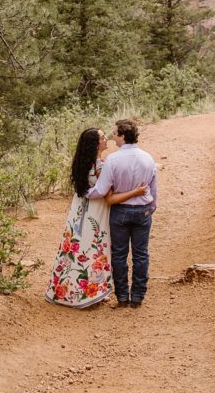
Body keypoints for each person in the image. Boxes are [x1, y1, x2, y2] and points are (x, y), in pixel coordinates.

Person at [45, 128, 147, 308]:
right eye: (102, 137)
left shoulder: (83, 163)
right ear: (95, 143)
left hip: (79, 211)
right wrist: (135, 191)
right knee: (93, 248)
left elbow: (85, 190)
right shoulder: (100, 165)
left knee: (75, 247)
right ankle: (88, 292)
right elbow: (105, 194)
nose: (106, 139)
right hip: (95, 212)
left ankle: (66, 289)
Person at [86, 119, 157, 308]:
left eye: (115, 133)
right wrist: (151, 207)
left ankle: (123, 296)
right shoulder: (148, 158)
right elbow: (153, 187)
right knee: (141, 254)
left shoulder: (113, 160)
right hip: (143, 211)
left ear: (123, 135)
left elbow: (101, 190)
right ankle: (138, 297)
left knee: (119, 254)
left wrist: (84, 193)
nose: (112, 137)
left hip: (120, 212)